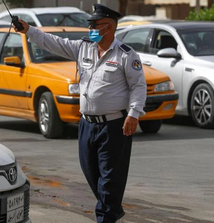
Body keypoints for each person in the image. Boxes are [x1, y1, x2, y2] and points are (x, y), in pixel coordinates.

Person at [14, 3, 147, 223]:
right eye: (90, 25)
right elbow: (54, 43)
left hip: (114, 125)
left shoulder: (126, 54)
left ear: (110, 27)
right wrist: (28, 30)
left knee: (110, 177)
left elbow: (138, 86)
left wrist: (134, 114)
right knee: (91, 172)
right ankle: (111, 208)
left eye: (95, 25)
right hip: (87, 124)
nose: (91, 29)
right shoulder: (84, 47)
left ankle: (106, 216)